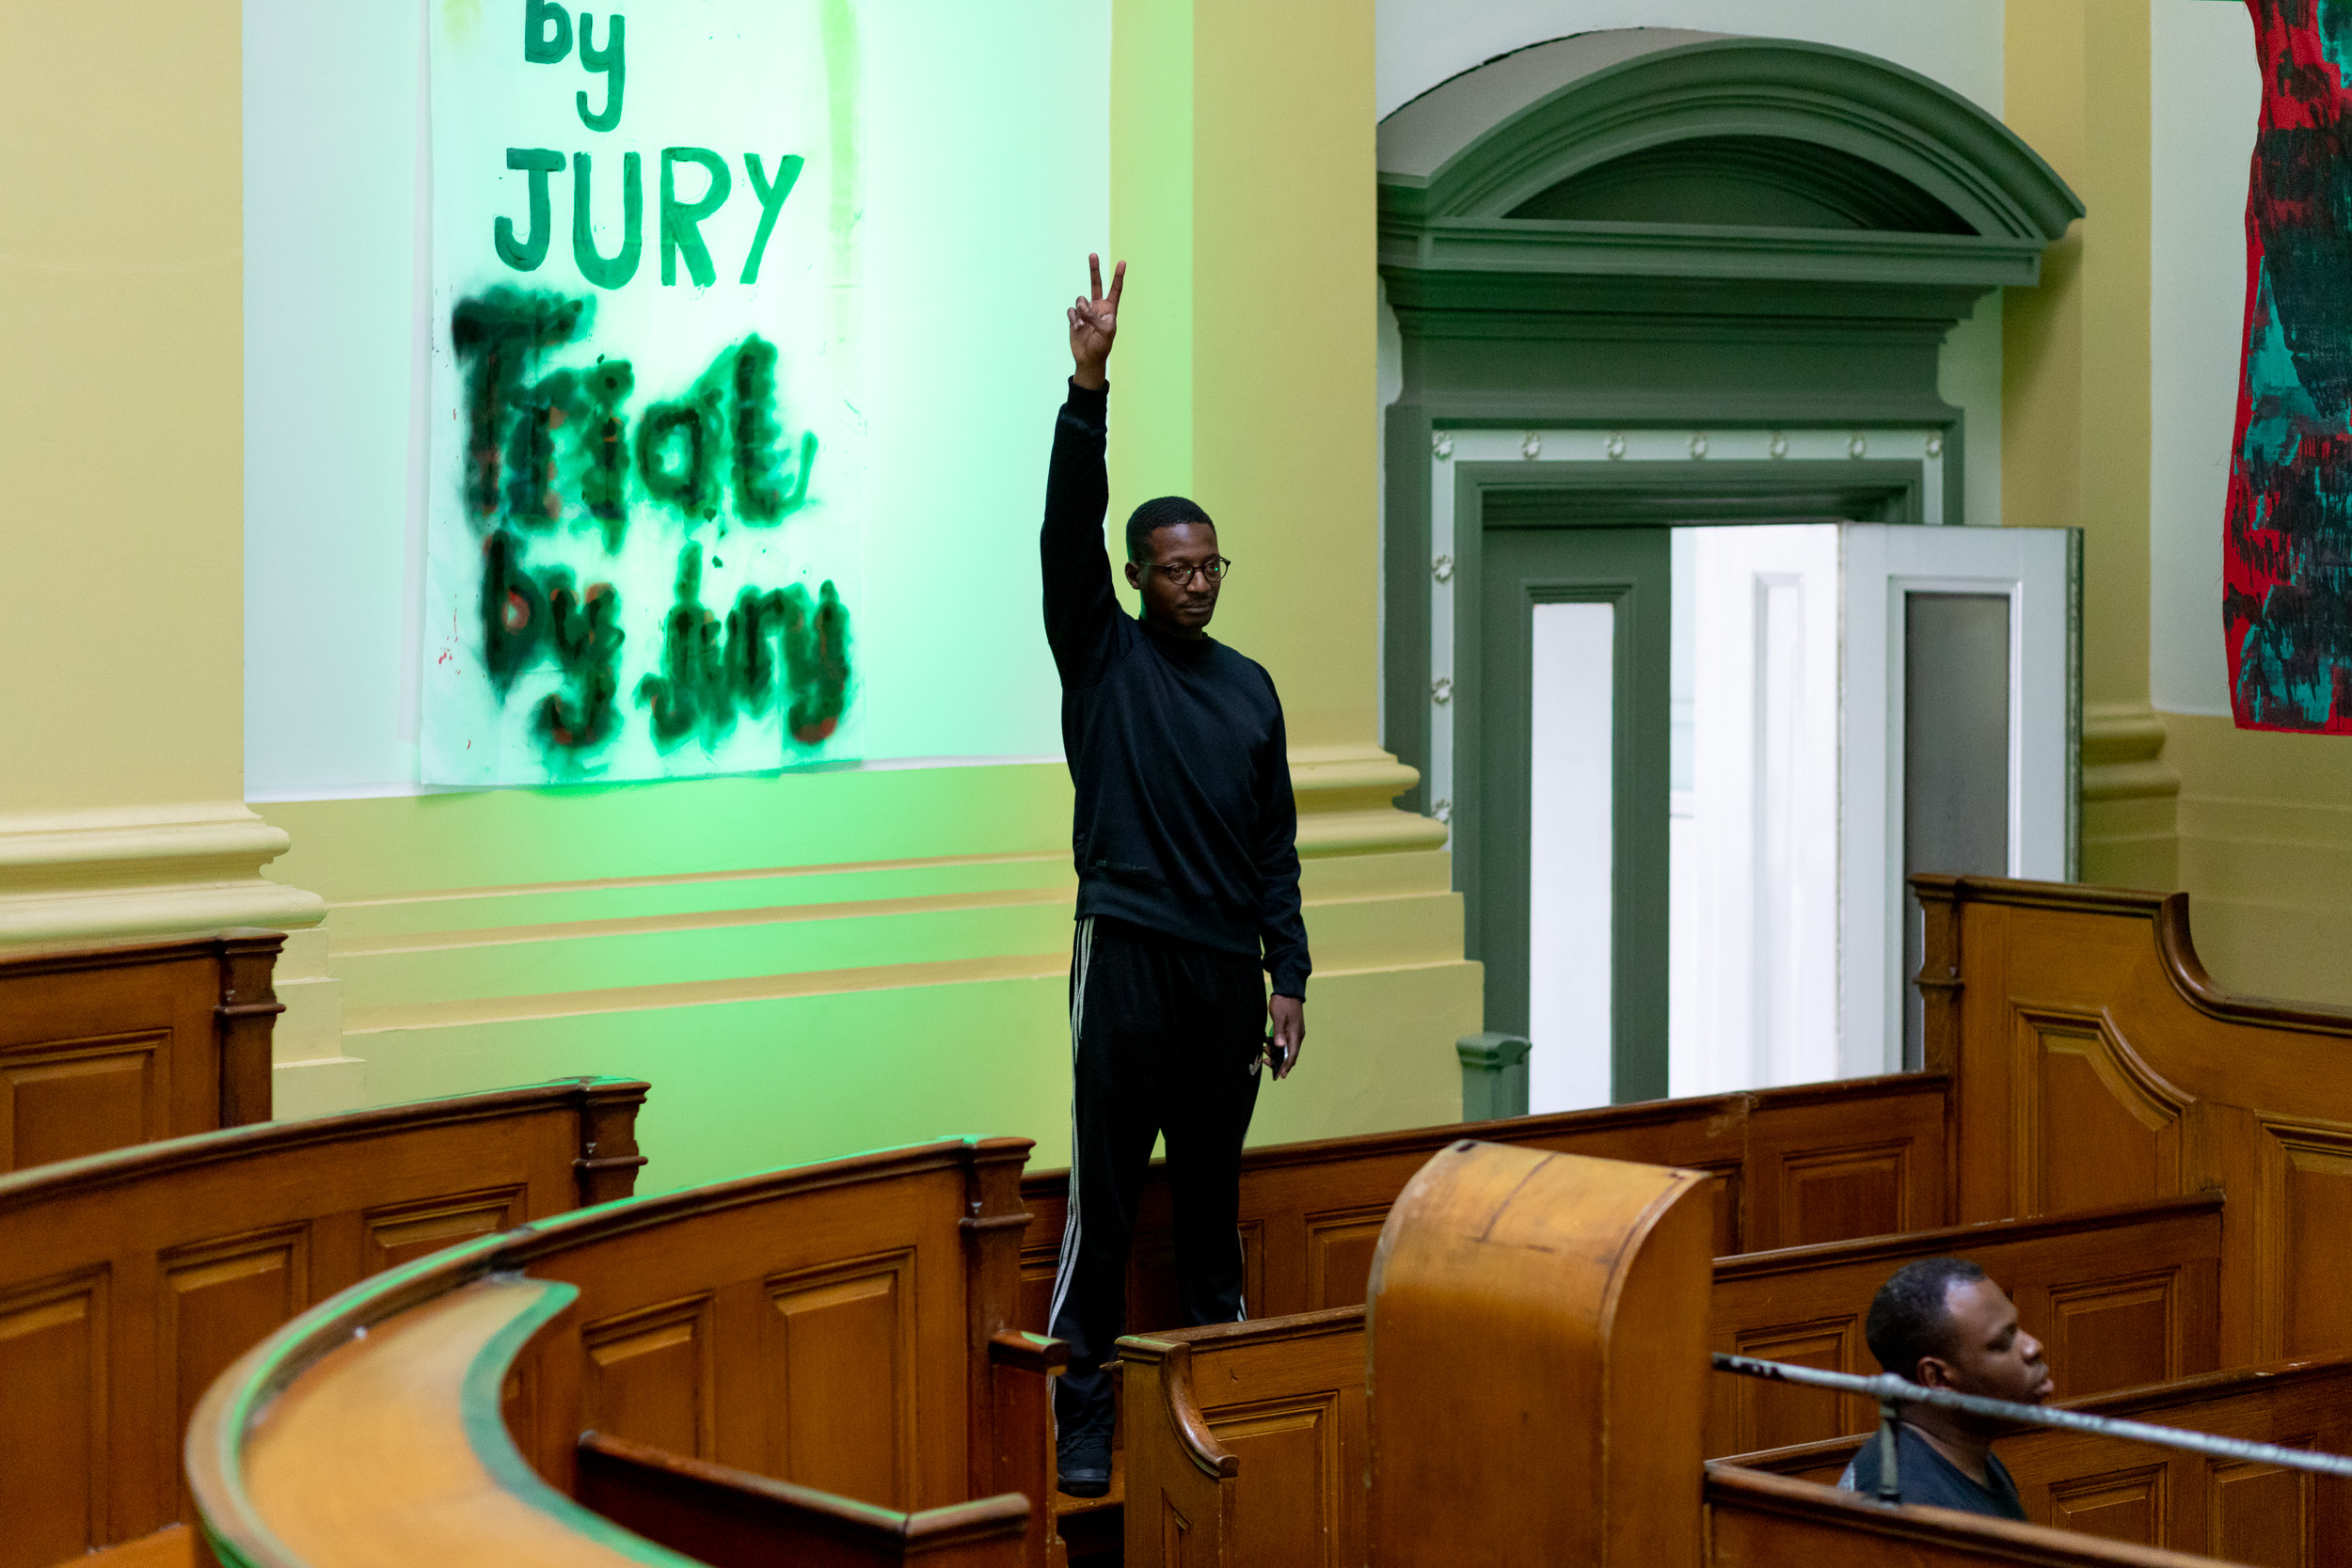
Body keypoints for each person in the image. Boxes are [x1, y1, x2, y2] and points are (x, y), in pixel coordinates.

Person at [1040, 254, 1311, 1497]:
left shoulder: (1250, 689)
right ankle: (1083, 1411)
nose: (1196, 581)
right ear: (1137, 576)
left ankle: (1219, 1394)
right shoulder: (1102, 657)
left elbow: (1275, 848)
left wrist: (1287, 976)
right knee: (1105, 1199)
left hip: (1222, 976)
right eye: (1175, 567)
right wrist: (1088, 389)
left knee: (1210, 1200)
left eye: (1210, 566)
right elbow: (1067, 530)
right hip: (1127, 950)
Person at [1840, 1256, 2054, 1519]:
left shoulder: (1963, 1452)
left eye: (2016, 1328)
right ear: (1936, 1378)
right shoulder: (1912, 1508)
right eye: (2002, 1342)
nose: (2033, 1347)